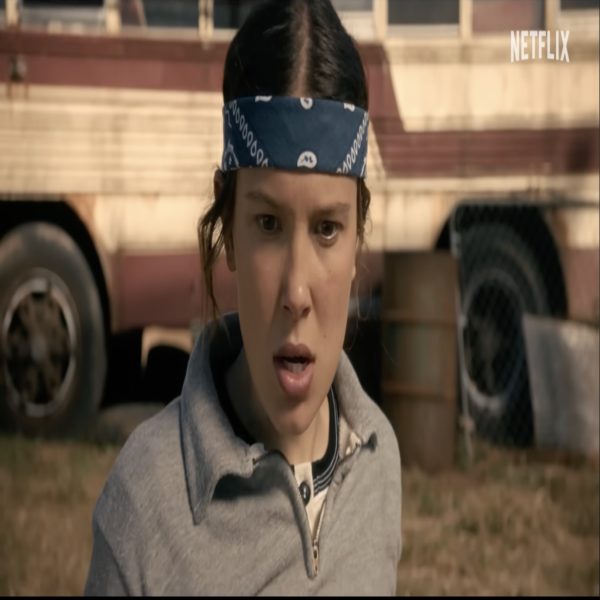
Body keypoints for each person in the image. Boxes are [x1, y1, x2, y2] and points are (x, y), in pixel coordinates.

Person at [84, 0, 402, 595]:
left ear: (358, 239)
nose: (296, 292)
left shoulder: (378, 462)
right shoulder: (144, 510)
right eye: (269, 224)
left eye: (327, 229)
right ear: (228, 230)